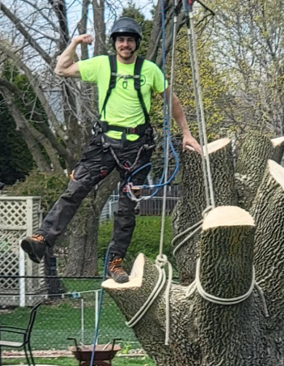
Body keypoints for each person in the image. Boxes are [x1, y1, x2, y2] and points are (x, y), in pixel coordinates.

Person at [21, 17, 201, 283]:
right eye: (120, 40)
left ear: (136, 43)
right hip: (104, 144)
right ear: (115, 43)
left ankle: (115, 263)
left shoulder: (149, 70)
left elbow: (171, 100)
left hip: (137, 149)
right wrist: (74, 43)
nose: (125, 45)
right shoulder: (102, 65)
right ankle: (42, 238)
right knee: (75, 189)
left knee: (127, 209)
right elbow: (61, 69)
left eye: (129, 40)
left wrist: (186, 132)